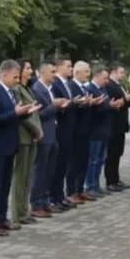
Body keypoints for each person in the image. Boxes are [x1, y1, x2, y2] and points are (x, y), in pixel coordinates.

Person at [0, 60, 39, 236]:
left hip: (10, 144)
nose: (17, 80)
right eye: (15, 77)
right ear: (4, 75)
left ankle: (1, 218)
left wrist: (26, 113)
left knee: (5, 183)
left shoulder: (12, 94)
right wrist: (14, 113)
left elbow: (14, 116)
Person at [31, 62, 69, 217]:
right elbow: (38, 114)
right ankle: (36, 203)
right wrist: (55, 106)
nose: (54, 74)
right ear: (43, 73)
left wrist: (61, 106)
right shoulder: (37, 90)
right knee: (40, 170)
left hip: (53, 133)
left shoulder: (50, 89)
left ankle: (45, 200)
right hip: (44, 134)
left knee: (50, 170)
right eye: (52, 71)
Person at [11, 61, 43, 225]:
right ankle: (18, 213)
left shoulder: (28, 88)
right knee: (20, 176)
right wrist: (36, 130)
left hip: (31, 137)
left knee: (27, 175)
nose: (31, 71)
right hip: (23, 136)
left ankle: (24, 210)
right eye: (28, 68)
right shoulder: (17, 90)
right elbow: (22, 115)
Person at [51, 58, 80, 209]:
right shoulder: (55, 83)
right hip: (60, 128)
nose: (71, 68)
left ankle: (60, 195)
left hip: (69, 127)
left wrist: (74, 102)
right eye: (68, 66)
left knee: (63, 164)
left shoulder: (66, 83)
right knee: (58, 164)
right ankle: (54, 197)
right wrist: (65, 104)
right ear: (59, 67)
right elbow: (55, 103)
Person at [84, 67, 115, 196]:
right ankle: (90, 185)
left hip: (104, 129)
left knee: (101, 159)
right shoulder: (90, 89)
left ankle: (96, 184)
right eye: (104, 78)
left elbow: (105, 104)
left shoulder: (103, 89)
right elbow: (96, 108)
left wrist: (111, 105)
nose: (106, 81)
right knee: (93, 160)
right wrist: (109, 105)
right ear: (96, 76)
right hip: (95, 130)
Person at [69, 61, 97, 199]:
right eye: (86, 71)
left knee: (83, 161)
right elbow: (71, 105)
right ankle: (72, 191)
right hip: (76, 130)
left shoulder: (85, 88)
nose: (88, 74)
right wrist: (82, 103)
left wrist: (89, 102)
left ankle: (80, 189)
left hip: (86, 129)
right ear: (77, 72)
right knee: (75, 162)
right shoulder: (72, 86)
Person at [103, 63, 130, 191]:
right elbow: (114, 102)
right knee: (112, 153)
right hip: (113, 124)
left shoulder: (121, 85)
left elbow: (125, 102)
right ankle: (110, 180)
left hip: (121, 123)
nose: (123, 74)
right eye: (121, 72)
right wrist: (126, 99)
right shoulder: (110, 85)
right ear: (113, 72)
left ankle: (116, 178)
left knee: (118, 153)